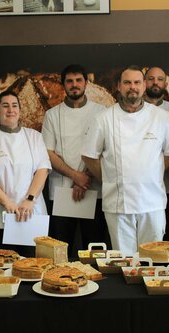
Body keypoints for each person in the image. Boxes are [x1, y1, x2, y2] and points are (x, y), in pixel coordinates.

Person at [82, 65, 169, 256]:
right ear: (118, 86)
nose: (132, 87)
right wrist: (111, 178)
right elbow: (89, 155)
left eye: (136, 82)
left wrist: (154, 171)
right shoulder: (104, 118)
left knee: (153, 260)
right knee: (124, 262)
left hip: (152, 203)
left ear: (144, 86)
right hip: (118, 204)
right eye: (127, 83)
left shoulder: (161, 117)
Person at [0, 91, 51, 257]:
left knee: (31, 264)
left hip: (30, 212)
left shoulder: (34, 137)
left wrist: (29, 199)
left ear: (20, 111)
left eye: (14, 105)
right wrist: (6, 202)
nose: (10, 110)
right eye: (5, 106)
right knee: (1, 264)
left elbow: (42, 170)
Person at [41, 64, 109, 256]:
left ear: (86, 83)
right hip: (62, 192)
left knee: (94, 250)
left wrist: (84, 178)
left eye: (79, 80)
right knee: (61, 251)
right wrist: (75, 176)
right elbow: (48, 152)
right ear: (63, 85)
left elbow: (105, 149)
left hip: (93, 190)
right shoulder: (52, 115)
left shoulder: (101, 112)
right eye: (69, 81)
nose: (74, 85)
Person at [144, 66, 169, 242]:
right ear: (144, 82)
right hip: (139, 189)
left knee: (166, 240)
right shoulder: (132, 111)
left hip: (168, 188)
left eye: (159, 79)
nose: (155, 82)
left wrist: (158, 169)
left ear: (166, 84)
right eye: (151, 78)